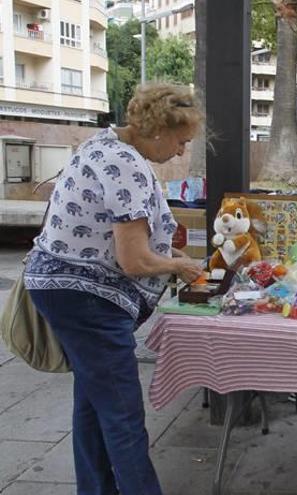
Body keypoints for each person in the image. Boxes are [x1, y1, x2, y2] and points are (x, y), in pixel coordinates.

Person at [23, 82, 205, 495]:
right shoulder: (127, 165)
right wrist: (178, 264)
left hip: (62, 288)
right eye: (181, 141)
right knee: (122, 413)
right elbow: (134, 260)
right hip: (88, 300)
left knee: (92, 403)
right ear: (159, 130)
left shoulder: (101, 144)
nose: (180, 152)